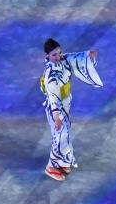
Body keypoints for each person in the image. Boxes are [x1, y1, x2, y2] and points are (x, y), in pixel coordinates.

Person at [40, 38, 103, 181]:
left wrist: (87, 55)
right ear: (47, 56)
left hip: (65, 101)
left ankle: (61, 162)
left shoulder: (63, 59)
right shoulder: (51, 74)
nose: (58, 57)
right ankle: (51, 166)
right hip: (56, 106)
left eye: (59, 53)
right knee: (60, 135)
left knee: (65, 133)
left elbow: (74, 57)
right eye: (54, 55)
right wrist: (56, 117)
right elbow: (53, 97)